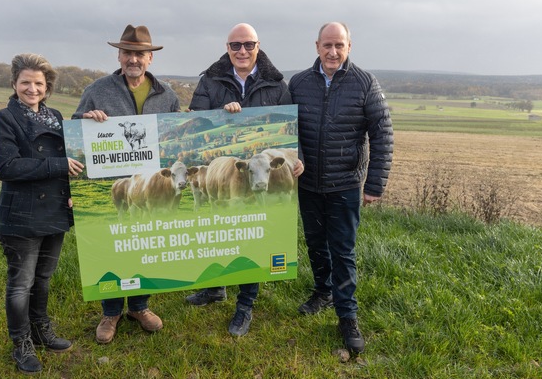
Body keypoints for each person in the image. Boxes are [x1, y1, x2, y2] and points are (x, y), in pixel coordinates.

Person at [185, 22, 303, 336]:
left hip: (259, 177)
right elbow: (195, 120)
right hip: (225, 172)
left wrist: (298, 158)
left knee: (253, 236)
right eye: (236, 45)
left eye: (248, 45)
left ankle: (245, 306)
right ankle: (214, 288)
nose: (242, 51)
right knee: (216, 230)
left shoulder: (277, 85)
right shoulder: (209, 81)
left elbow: (291, 128)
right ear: (227, 48)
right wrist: (221, 116)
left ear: (258, 46)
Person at [289, 22, 393, 354]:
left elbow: (382, 134)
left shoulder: (365, 83)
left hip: (345, 184)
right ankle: (323, 291)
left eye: (340, 45)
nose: (333, 52)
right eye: (327, 45)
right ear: (316, 45)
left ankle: (347, 317)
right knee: (315, 243)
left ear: (350, 46)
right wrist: (299, 159)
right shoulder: (299, 83)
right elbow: (289, 130)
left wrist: (374, 183)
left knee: (343, 251)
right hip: (308, 183)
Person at [72, 24, 180, 344]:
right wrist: (86, 119)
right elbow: (76, 131)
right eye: (127, 53)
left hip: (148, 185)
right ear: (119, 56)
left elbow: (173, 138)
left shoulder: (168, 96)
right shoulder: (98, 90)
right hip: (113, 182)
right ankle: (110, 311)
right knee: (112, 244)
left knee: (144, 242)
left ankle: (140, 306)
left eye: (139, 54)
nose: (133, 59)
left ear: (150, 58)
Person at [0, 53, 84, 374]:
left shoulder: (56, 116)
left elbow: (74, 158)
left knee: (43, 279)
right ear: (15, 83)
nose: (32, 88)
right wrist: (56, 165)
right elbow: (6, 167)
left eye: (39, 83)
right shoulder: (5, 118)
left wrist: (75, 194)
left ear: (48, 88)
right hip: (21, 216)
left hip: (54, 212)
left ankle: (41, 330)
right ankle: (22, 343)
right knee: (21, 283)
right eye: (26, 82)